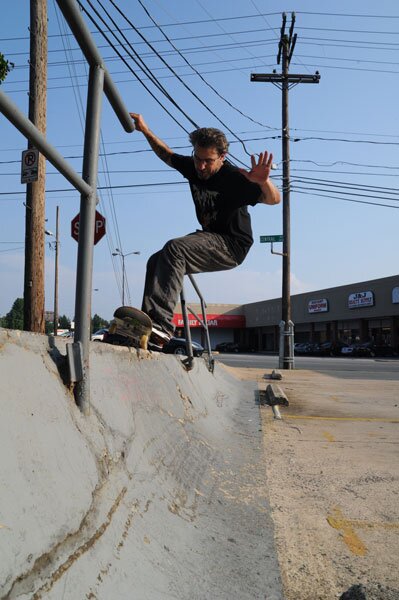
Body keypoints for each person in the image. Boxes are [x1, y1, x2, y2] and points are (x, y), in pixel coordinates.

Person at [130, 113, 281, 347]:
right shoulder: (193, 167)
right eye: (198, 158)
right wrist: (146, 130)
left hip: (231, 245)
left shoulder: (234, 177)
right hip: (208, 238)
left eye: (208, 161)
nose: (201, 166)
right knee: (156, 260)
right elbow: (167, 155)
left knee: (175, 248)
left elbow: (274, 200)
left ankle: (161, 326)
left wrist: (262, 181)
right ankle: (147, 326)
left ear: (222, 156)